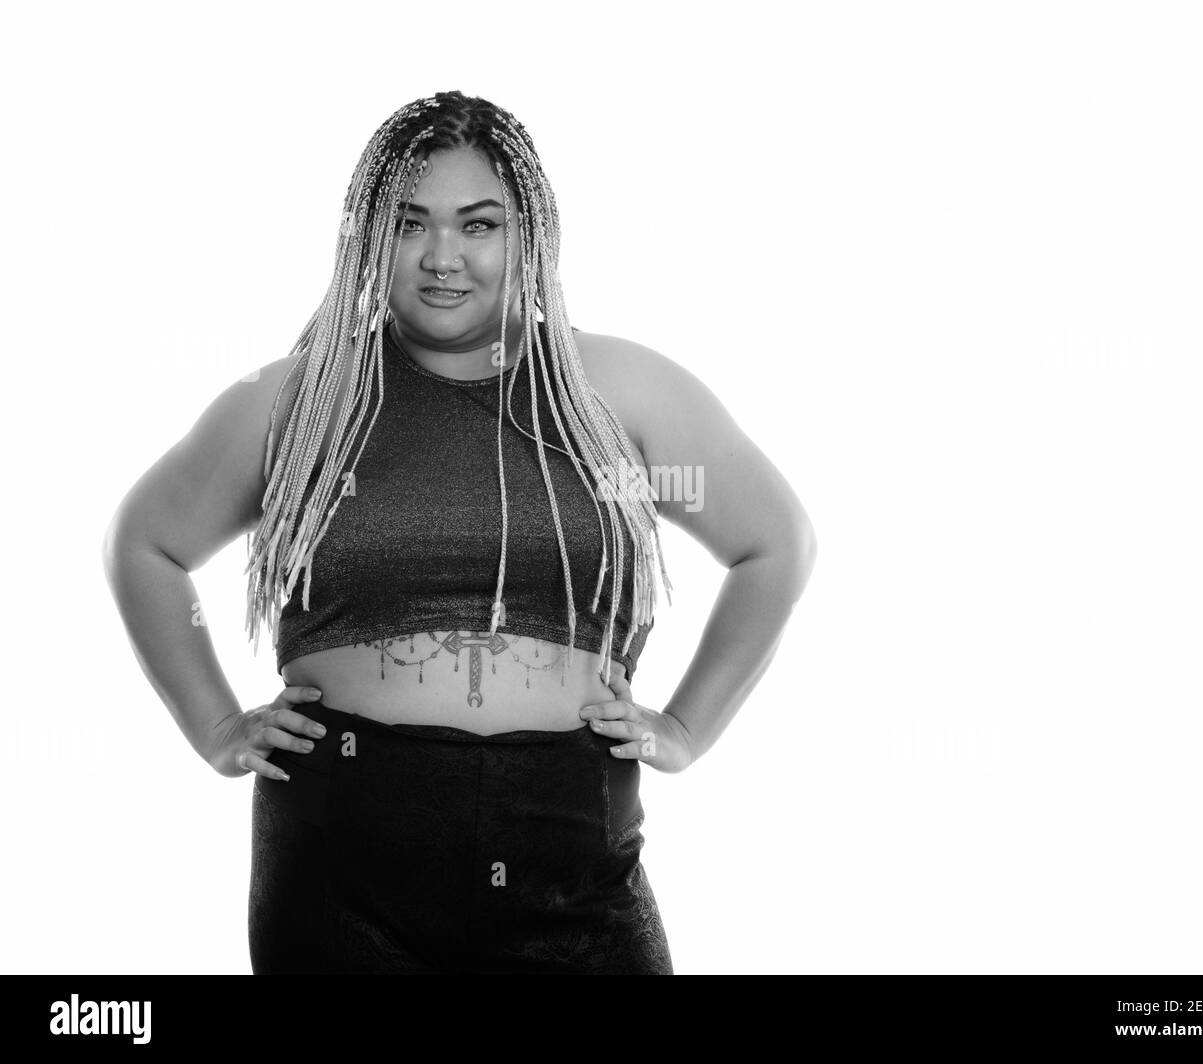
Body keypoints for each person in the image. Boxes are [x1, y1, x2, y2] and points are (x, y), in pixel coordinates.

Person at [102, 91, 818, 974]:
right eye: (410, 224)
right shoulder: (298, 398)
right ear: (370, 236)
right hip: (342, 856)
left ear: (530, 237)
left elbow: (774, 545)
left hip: (570, 847)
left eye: (479, 225)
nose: (444, 258)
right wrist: (215, 725)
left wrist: (686, 727)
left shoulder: (619, 392)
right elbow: (147, 544)